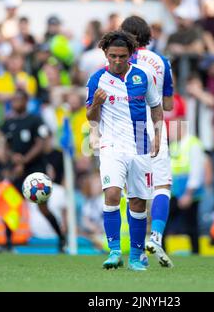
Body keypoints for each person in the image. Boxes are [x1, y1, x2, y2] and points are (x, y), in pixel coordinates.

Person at [86, 31, 163, 271]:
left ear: (130, 55)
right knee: (111, 194)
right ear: (105, 54)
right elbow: (90, 116)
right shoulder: (96, 79)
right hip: (111, 146)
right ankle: (115, 251)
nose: (117, 61)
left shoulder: (143, 76)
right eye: (112, 56)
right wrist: (97, 103)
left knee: (138, 202)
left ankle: (137, 256)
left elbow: (156, 107)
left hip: (140, 146)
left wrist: (158, 135)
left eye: (122, 56)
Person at [121, 15, 174, 268]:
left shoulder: (118, 60)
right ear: (148, 36)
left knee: (135, 194)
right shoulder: (162, 61)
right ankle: (156, 236)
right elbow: (169, 104)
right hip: (154, 127)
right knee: (162, 186)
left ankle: (137, 252)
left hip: (126, 129)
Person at [0, 89, 66, 252]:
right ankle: (7, 243)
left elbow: (40, 144)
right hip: (18, 171)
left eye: (19, 99)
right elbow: (6, 146)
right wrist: (13, 157)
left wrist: (24, 160)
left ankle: (61, 238)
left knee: (43, 207)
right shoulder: (9, 122)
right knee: (11, 205)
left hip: (36, 171)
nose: (16, 103)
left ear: (26, 101)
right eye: (14, 100)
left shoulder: (35, 120)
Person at [166, 114, 206, 254]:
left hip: (189, 193)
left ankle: (196, 254)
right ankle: (161, 252)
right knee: (165, 222)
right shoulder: (175, 145)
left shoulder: (193, 144)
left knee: (191, 226)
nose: (170, 132)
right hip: (175, 192)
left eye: (172, 128)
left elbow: (197, 171)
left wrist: (188, 194)